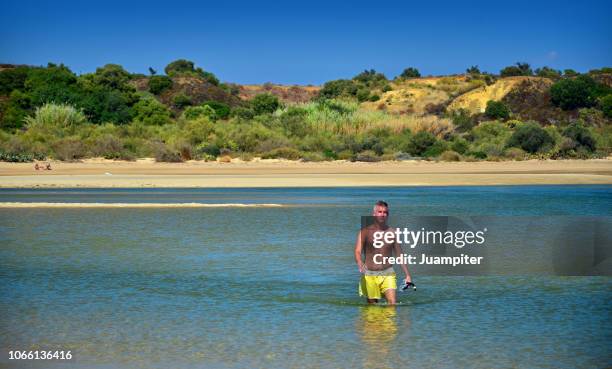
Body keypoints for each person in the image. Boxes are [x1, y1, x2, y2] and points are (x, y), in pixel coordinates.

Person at [354, 200, 411, 304]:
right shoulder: (365, 232)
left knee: (392, 303)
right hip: (369, 274)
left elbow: (399, 254)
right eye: (380, 212)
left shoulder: (392, 232)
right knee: (372, 307)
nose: (383, 214)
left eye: (385, 212)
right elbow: (357, 251)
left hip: (388, 273)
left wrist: (407, 275)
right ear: (374, 214)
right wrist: (359, 262)